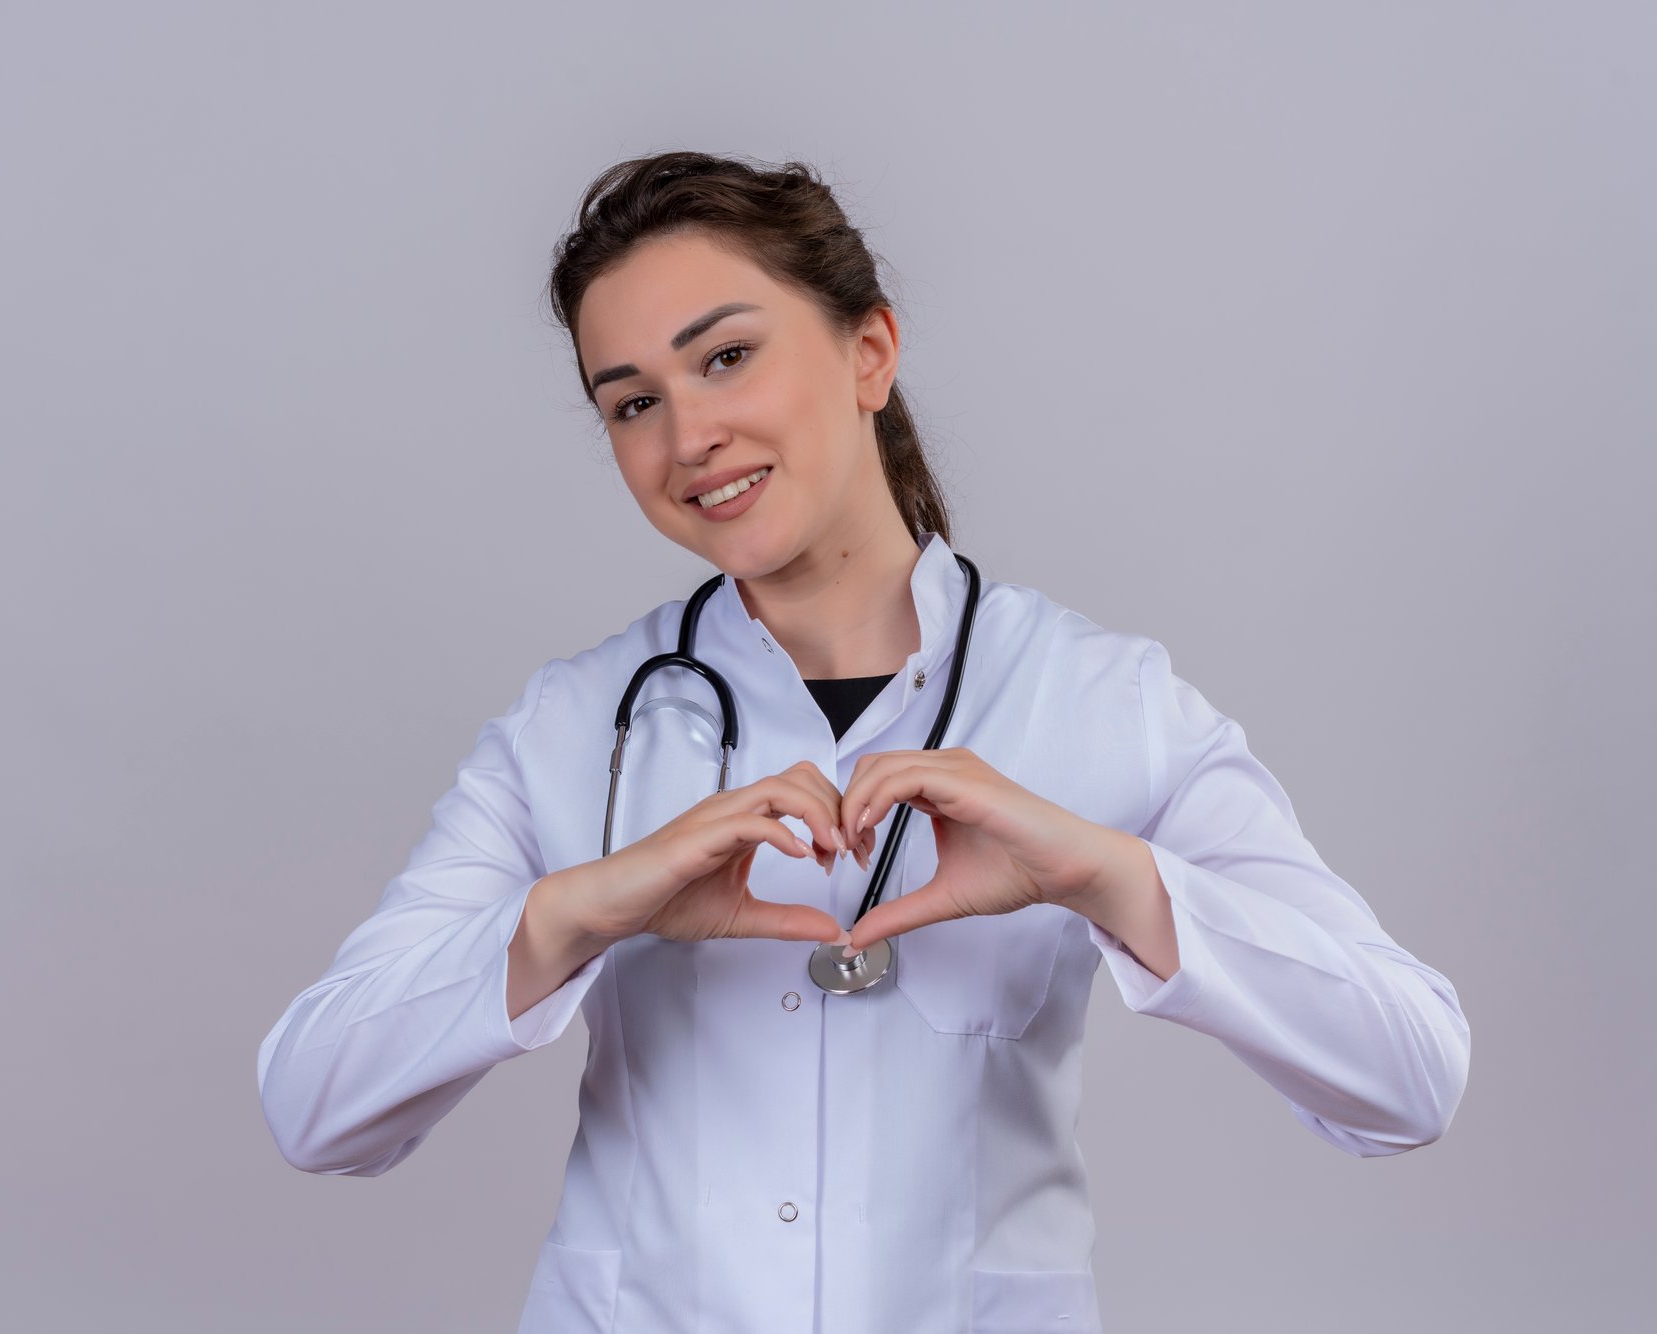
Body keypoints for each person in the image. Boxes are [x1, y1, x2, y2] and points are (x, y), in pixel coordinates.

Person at [255, 151, 1471, 1334]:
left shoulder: (1099, 702)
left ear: (867, 352)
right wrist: (577, 914)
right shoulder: (575, 729)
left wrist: (1106, 876)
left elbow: (1409, 1079)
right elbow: (316, 1108)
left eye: (726, 357)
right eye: (632, 402)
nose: (687, 440)